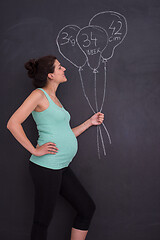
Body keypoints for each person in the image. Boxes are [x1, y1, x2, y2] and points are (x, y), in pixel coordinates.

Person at [6, 55, 104, 240]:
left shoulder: (55, 99)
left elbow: (64, 134)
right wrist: (34, 150)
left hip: (60, 166)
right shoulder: (38, 95)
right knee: (42, 222)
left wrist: (89, 123)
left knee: (86, 208)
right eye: (59, 67)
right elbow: (13, 123)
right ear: (50, 75)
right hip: (46, 167)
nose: (64, 69)